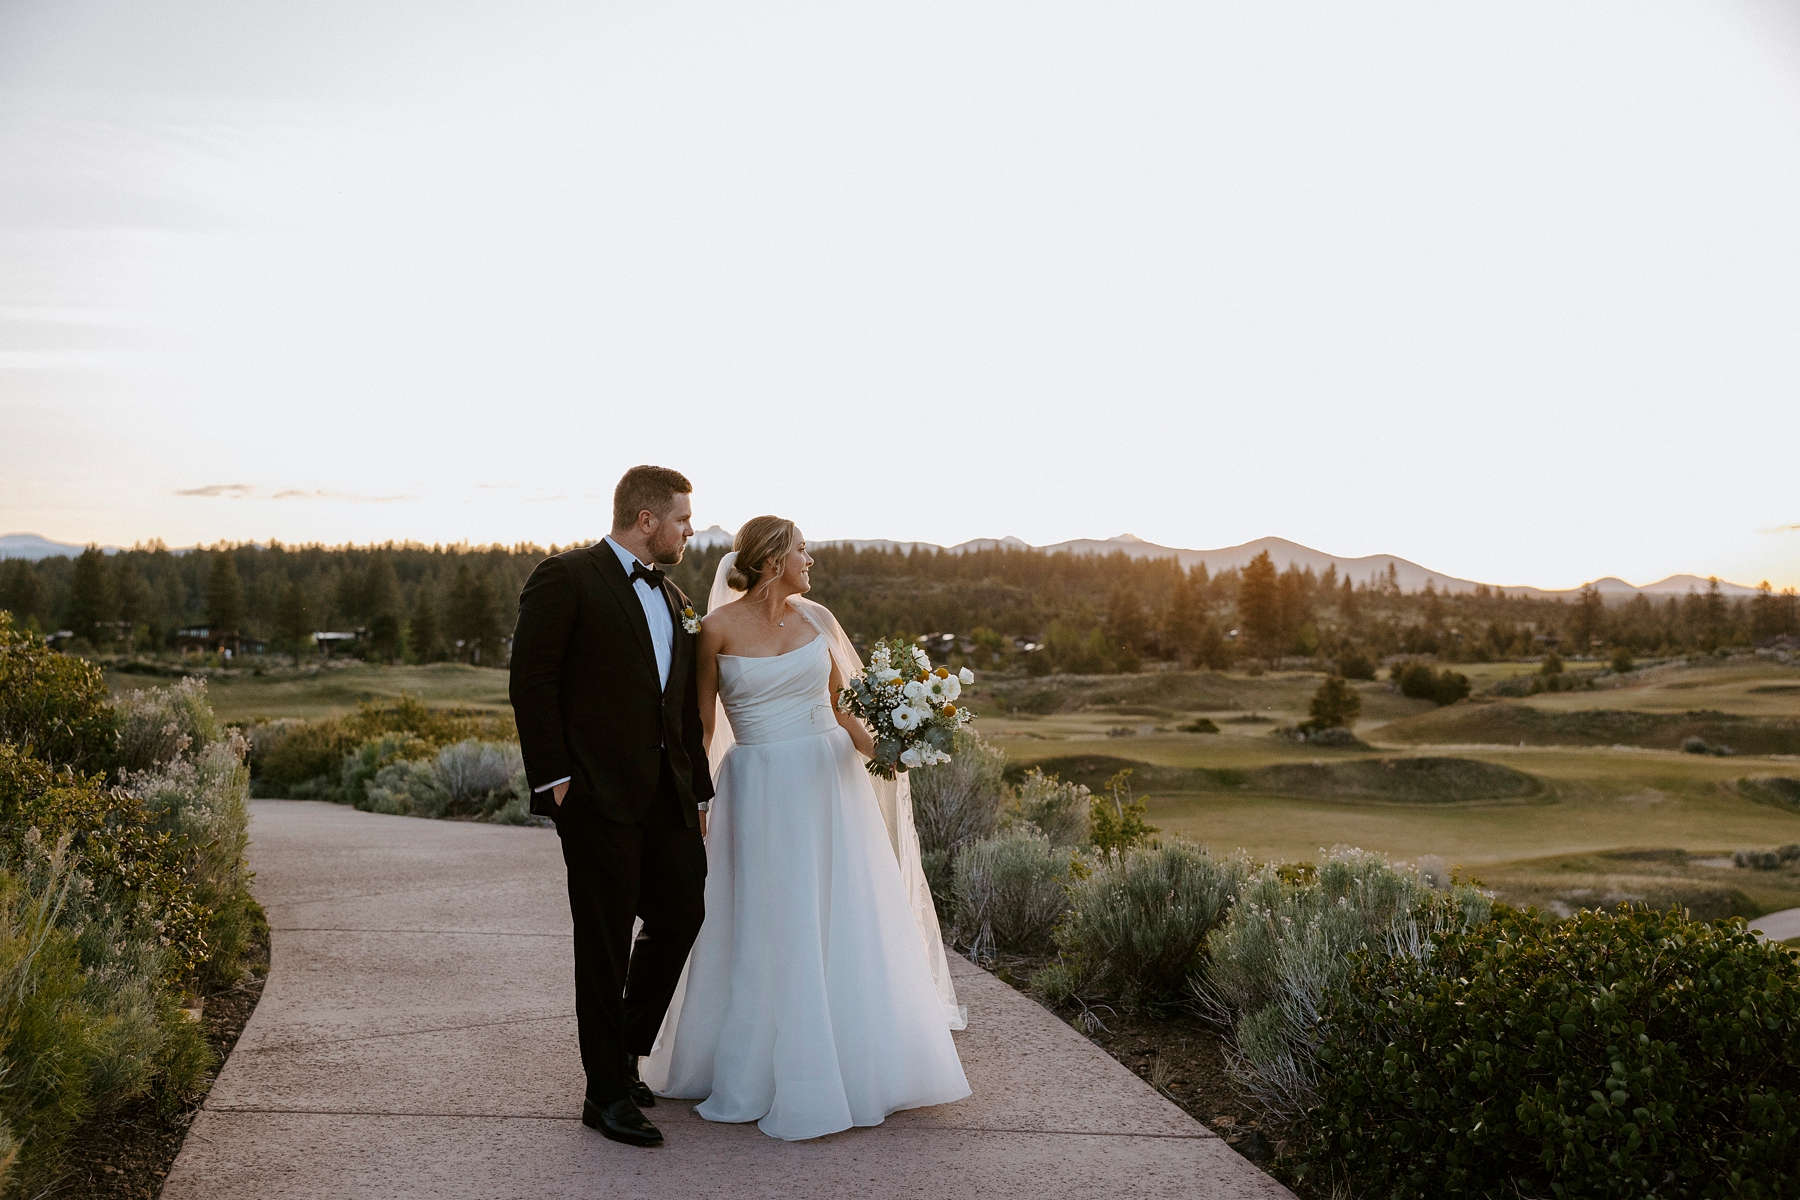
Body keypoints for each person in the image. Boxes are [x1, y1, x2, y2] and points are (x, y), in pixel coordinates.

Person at [641, 516, 970, 1141]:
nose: (809, 558)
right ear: (773, 560)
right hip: (757, 785)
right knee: (770, 915)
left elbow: (843, 706)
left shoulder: (819, 619)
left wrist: (886, 750)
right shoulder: (713, 631)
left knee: (841, 907)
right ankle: (761, 1067)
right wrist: (699, 802)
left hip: (828, 777)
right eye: (800, 549)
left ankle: (855, 1059)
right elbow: (703, 728)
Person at [508, 465, 712, 1148]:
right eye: (683, 518)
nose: (691, 529)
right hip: (594, 795)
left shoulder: (677, 596)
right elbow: (532, 683)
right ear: (647, 520)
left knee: (683, 912)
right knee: (602, 942)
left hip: (667, 797)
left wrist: (700, 791)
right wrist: (556, 782)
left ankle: (623, 1051)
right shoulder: (566, 578)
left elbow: (681, 707)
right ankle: (604, 1095)